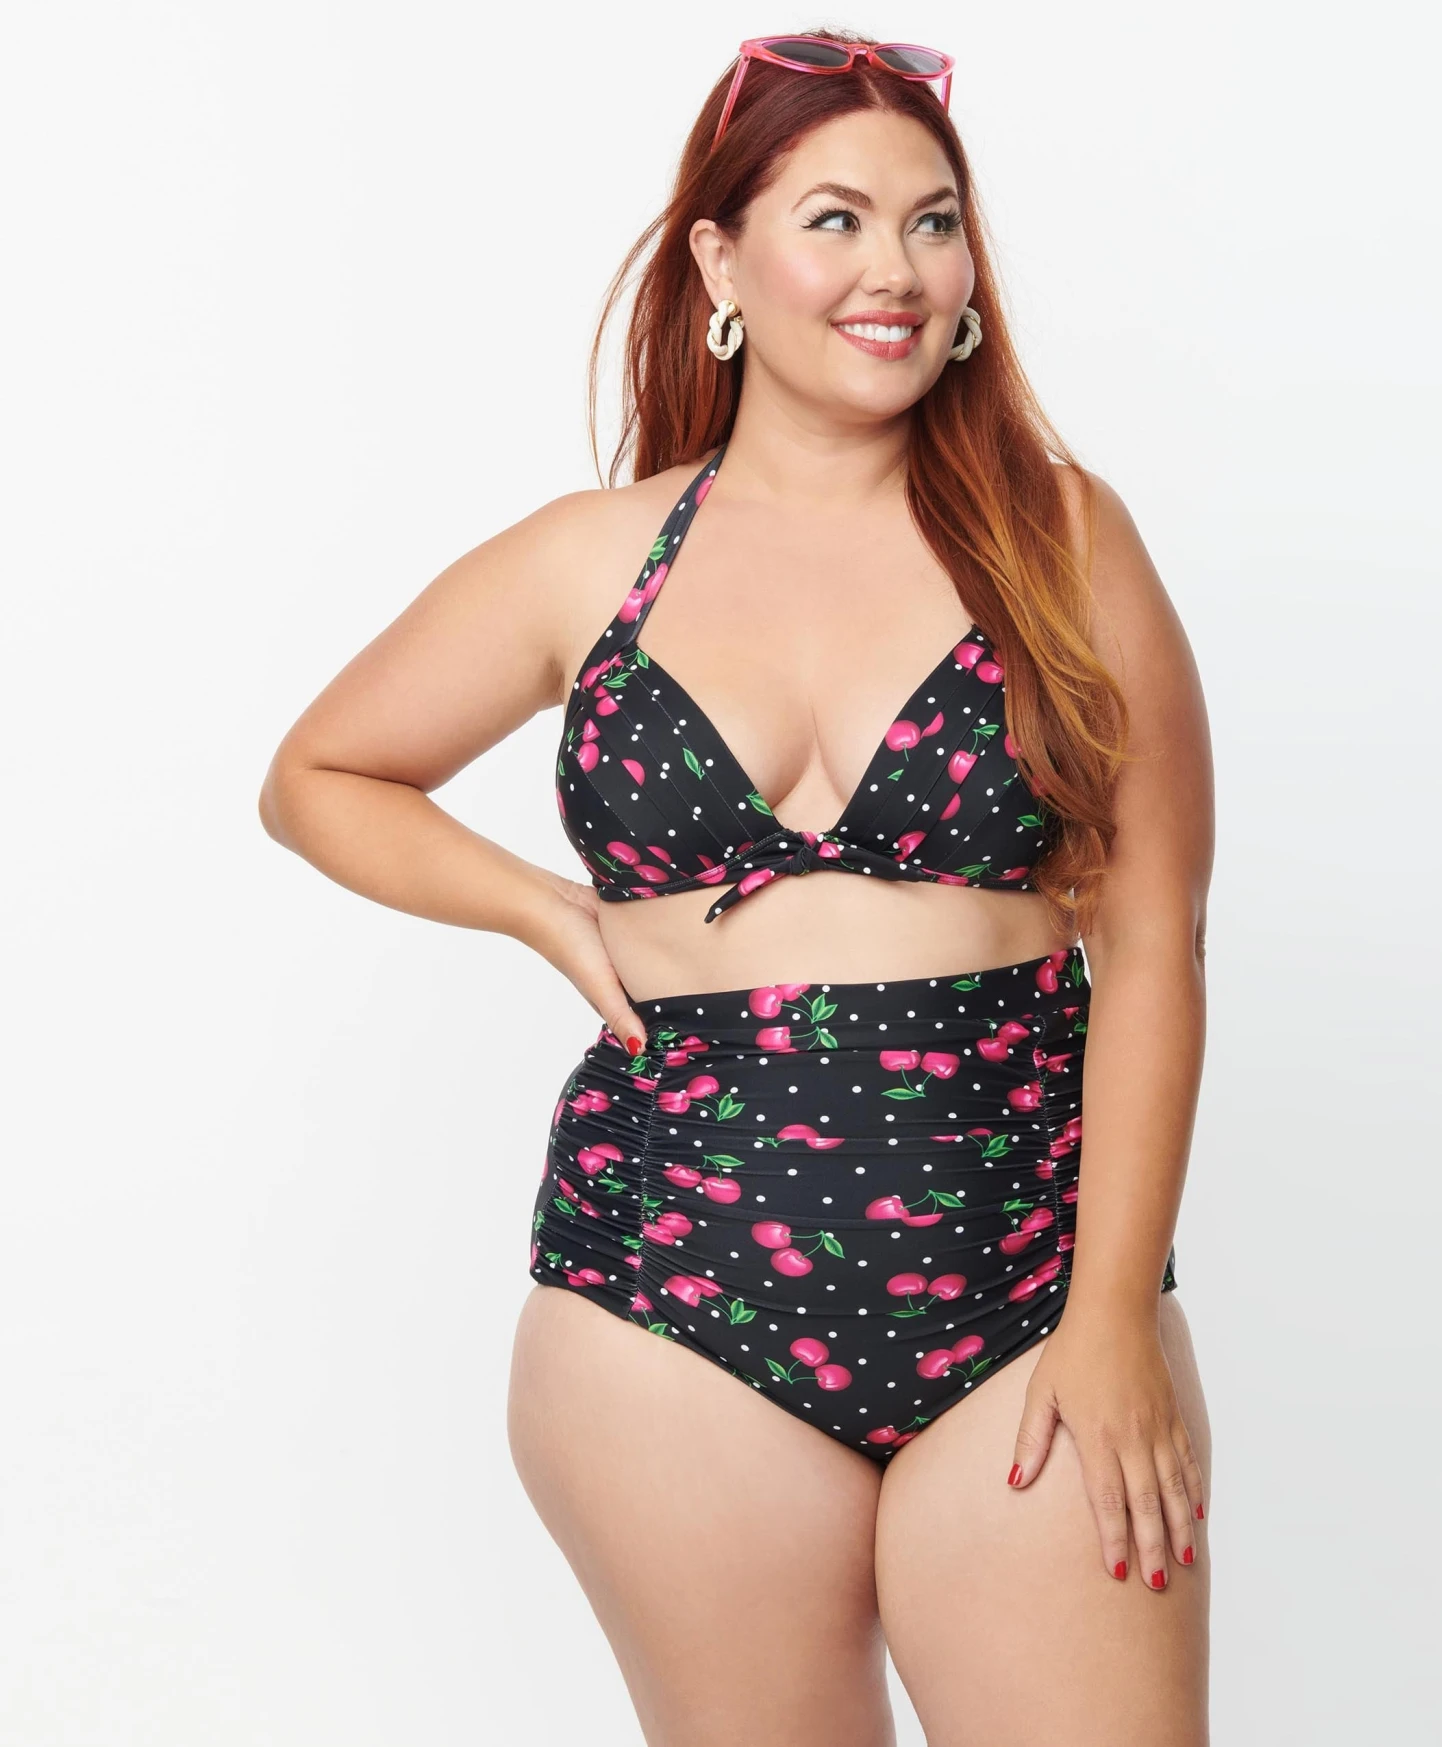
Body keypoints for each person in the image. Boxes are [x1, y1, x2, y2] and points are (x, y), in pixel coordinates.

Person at [259, 30, 1215, 1746]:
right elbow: (318, 775)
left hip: (1028, 1291)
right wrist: (547, 910)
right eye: (835, 219)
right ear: (720, 260)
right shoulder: (592, 558)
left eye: (933, 223)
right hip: (668, 1300)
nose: (894, 270)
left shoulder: (1063, 539)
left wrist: (1114, 1319)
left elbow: (1154, 941)